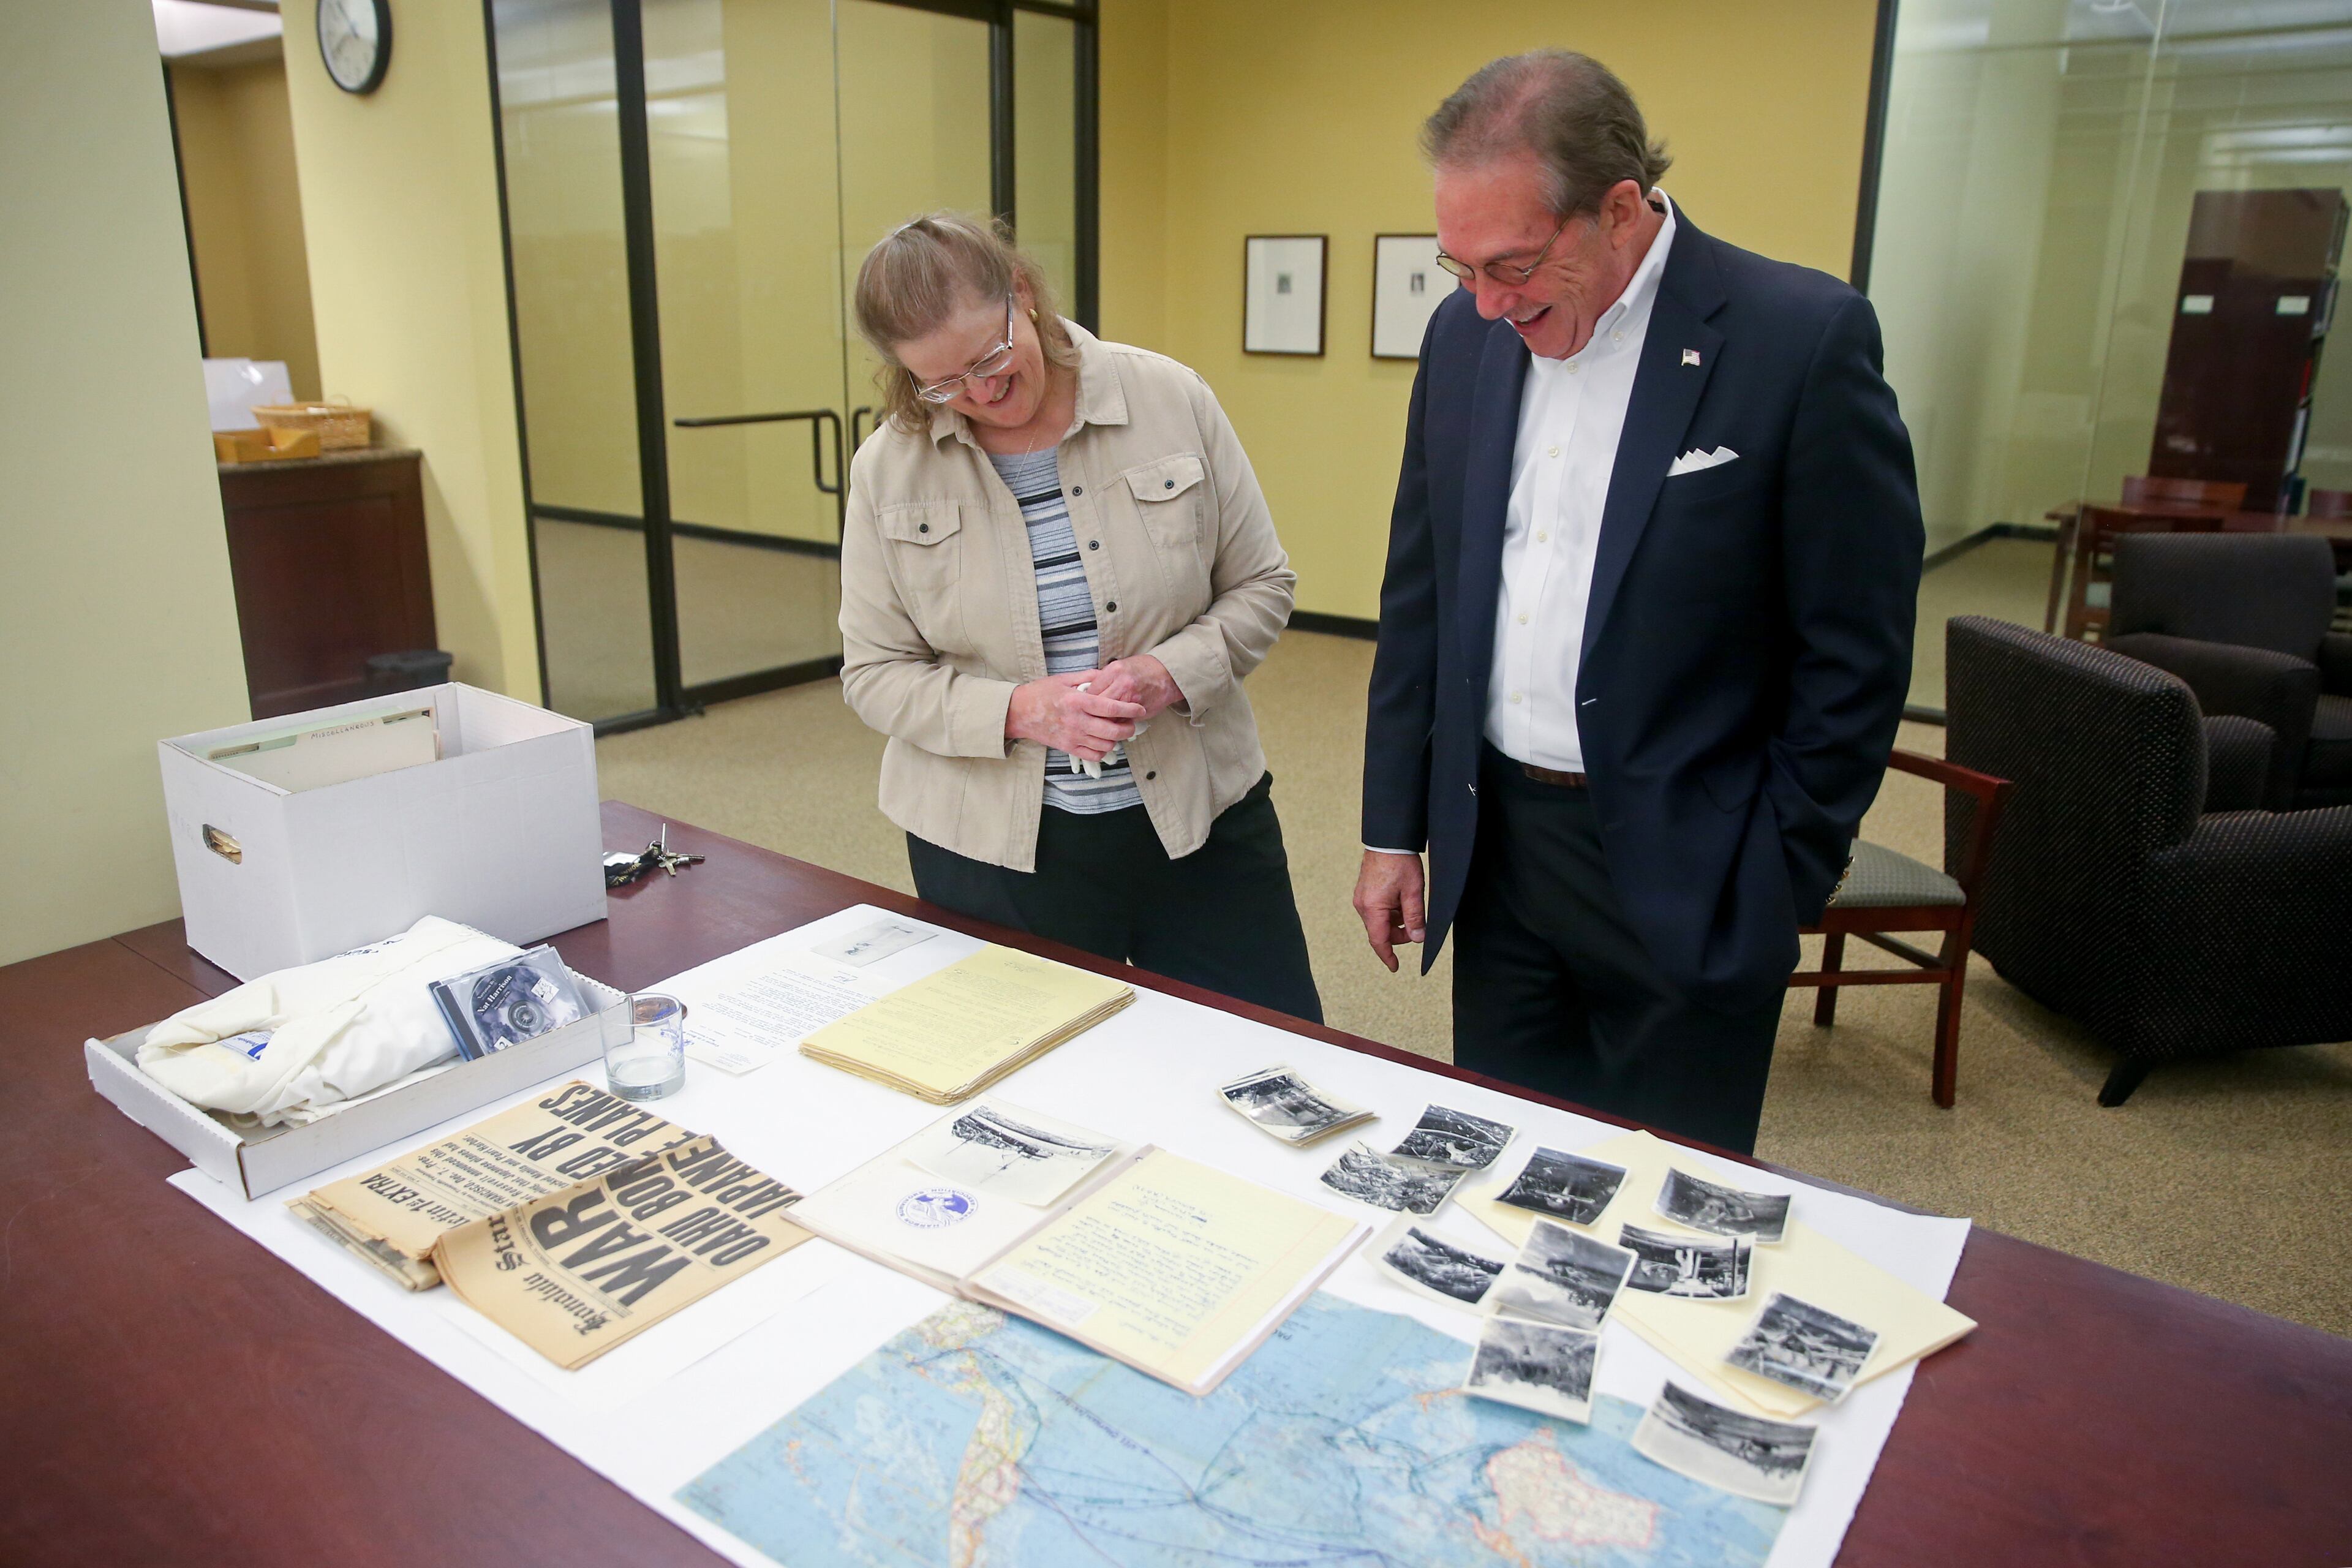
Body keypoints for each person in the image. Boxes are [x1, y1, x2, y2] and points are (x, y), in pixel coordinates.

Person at [1354, 53, 1922, 1153]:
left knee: (1670, 1202)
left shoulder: (1797, 337)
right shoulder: (1464, 338)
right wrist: (1393, 830)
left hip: (1690, 863)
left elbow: (1855, 650)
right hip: (1504, 849)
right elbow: (1422, 593)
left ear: (1620, 209)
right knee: (1509, 1167)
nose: (1486, 303)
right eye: (1457, 267)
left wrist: (1778, 873)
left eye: (1512, 264)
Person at [839, 213, 1322, 1022]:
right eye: (944, 382)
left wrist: (1168, 674)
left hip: (1198, 819)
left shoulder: (1167, 397)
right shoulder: (889, 466)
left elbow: (1263, 585)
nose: (981, 392)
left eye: (990, 358)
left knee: (1269, 1056)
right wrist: (1024, 712)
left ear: (1022, 295)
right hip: (996, 847)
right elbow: (875, 676)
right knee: (1040, 1100)